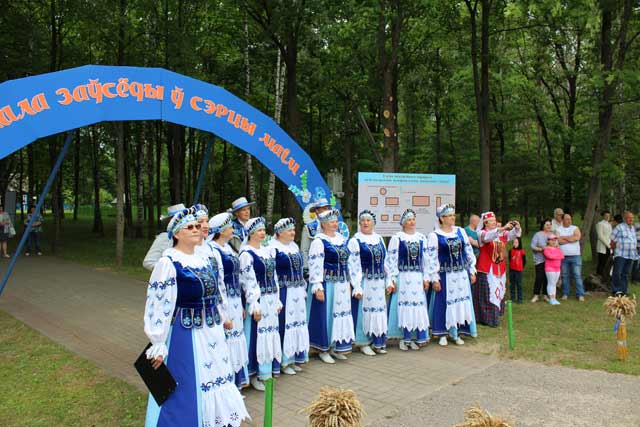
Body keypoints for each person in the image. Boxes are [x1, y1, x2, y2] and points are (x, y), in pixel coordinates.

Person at [143, 207, 249, 427]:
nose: (196, 229)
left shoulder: (204, 259)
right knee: (189, 381)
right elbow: (158, 303)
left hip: (212, 330)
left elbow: (216, 292)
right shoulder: (169, 262)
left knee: (218, 374)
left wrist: (223, 315)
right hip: (187, 333)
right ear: (176, 234)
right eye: (189, 227)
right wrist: (158, 342)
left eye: (197, 226)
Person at [209, 212, 255, 391]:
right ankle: (228, 383)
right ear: (221, 231)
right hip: (225, 300)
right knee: (227, 340)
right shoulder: (214, 251)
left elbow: (238, 276)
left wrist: (241, 304)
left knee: (236, 337)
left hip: (235, 299)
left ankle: (237, 381)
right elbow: (217, 282)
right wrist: (223, 313)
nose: (232, 229)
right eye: (229, 227)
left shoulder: (228, 248)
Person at [307, 208, 359, 364]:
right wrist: (318, 286)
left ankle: (336, 345)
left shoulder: (342, 239)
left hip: (342, 282)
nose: (335, 224)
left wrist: (351, 282)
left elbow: (348, 262)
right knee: (327, 314)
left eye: (336, 221)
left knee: (340, 313)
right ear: (323, 224)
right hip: (328, 283)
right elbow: (315, 264)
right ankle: (323, 349)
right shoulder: (319, 241)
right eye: (331, 222)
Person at [238, 217, 282, 391]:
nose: (263, 233)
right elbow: (247, 280)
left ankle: (267, 371)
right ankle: (254, 374)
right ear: (251, 233)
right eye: (259, 231)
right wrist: (254, 303)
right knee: (256, 335)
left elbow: (274, 276)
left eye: (264, 230)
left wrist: (277, 298)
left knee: (270, 333)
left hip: (270, 298)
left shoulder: (267, 251)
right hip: (258, 300)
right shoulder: (246, 254)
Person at [426, 204, 477, 346]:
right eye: (449, 216)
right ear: (442, 218)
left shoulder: (460, 231)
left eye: (453, 215)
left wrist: (472, 270)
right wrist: (434, 278)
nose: (452, 218)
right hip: (445, 275)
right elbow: (431, 258)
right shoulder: (434, 235)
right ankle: (442, 333)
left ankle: (458, 332)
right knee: (443, 303)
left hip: (461, 274)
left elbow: (468, 251)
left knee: (461, 302)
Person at [348, 210, 391, 356]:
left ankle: (377, 341)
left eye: (368, 220)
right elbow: (353, 265)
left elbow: (386, 261)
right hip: (365, 281)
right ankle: (363, 342)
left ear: (373, 223)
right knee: (364, 312)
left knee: (379, 311)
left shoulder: (379, 238)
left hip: (378, 282)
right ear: (359, 223)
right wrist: (356, 285)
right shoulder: (355, 241)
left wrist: (389, 279)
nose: (366, 223)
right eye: (363, 221)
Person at [386, 208, 430, 350]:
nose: (411, 222)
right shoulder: (397, 238)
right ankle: (405, 338)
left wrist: (426, 277)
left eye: (413, 219)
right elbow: (391, 260)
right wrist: (392, 278)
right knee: (405, 306)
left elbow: (426, 260)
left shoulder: (421, 238)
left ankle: (417, 336)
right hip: (404, 277)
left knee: (418, 306)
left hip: (417, 277)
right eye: (409, 220)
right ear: (403, 223)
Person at [270, 217, 309, 374]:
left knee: (297, 322)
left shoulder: (294, 246)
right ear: (280, 233)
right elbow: (271, 273)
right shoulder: (273, 248)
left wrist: (303, 287)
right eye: (289, 230)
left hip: (297, 290)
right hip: (284, 290)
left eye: (293, 230)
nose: (293, 233)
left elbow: (299, 270)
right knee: (284, 323)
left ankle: (294, 357)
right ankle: (283, 361)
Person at [473, 212, 521, 327]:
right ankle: (486, 318)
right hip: (487, 269)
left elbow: (513, 235)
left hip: (500, 268)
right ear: (485, 223)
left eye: (495, 220)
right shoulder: (481, 233)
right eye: (491, 221)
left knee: (499, 290)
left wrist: (517, 228)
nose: (494, 222)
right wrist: (503, 228)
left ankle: (495, 315)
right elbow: (488, 237)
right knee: (488, 293)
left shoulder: (501, 233)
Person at [142, 203, 186, 271]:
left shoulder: (194, 237)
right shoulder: (165, 238)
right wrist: (171, 271)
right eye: (180, 218)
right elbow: (148, 262)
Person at [557, 213, 585, 301]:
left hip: (575, 256)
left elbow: (577, 238)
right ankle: (565, 293)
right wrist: (570, 238)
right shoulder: (558, 229)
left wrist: (564, 237)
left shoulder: (575, 228)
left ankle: (580, 294)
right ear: (562, 220)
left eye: (570, 219)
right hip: (563, 257)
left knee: (577, 275)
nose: (569, 220)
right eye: (567, 219)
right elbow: (558, 241)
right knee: (565, 276)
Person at [610, 211, 638, 296]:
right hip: (621, 254)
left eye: (632, 218)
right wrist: (615, 251)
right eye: (629, 218)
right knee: (617, 272)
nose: (631, 219)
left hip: (630, 254)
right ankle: (616, 290)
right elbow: (612, 240)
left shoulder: (632, 228)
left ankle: (624, 290)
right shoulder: (619, 227)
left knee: (625, 273)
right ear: (625, 219)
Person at [301, 198, 332, 273]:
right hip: (315, 267)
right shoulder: (309, 227)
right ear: (317, 211)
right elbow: (305, 250)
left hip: (331, 267)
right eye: (324, 208)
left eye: (328, 208)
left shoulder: (334, 226)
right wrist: (306, 268)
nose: (327, 211)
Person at [530, 219, 552, 303]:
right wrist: (541, 249)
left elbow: (556, 245)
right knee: (539, 277)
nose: (549, 226)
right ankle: (536, 295)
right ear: (543, 226)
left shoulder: (552, 235)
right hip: (539, 260)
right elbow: (532, 246)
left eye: (550, 225)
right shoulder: (538, 234)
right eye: (547, 225)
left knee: (547, 278)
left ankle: (545, 295)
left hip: (549, 260)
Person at [543, 235, 564, 305]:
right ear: (548, 241)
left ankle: (554, 298)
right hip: (550, 268)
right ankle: (551, 299)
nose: (553, 242)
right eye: (552, 240)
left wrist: (556, 256)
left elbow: (562, 256)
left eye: (554, 240)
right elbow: (550, 256)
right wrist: (557, 256)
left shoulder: (557, 249)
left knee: (554, 284)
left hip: (557, 268)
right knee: (551, 283)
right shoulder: (546, 249)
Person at [508, 237, 526, 304]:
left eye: (516, 242)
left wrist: (521, 267)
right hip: (512, 270)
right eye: (514, 242)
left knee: (519, 285)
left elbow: (524, 261)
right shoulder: (510, 251)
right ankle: (512, 298)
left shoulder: (522, 251)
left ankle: (520, 299)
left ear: (519, 243)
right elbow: (510, 259)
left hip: (519, 271)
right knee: (512, 284)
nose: (514, 244)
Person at [595, 210, 612, 277]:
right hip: (602, 246)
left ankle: (605, 276)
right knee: (601, 262)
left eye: (608, 216)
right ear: (603, 216)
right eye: (606, 216)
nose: (607, 217)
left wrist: (610, 244)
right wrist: (607, 245)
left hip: (609, 246)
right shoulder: (600, 224)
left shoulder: (609, 224)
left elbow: (610, 235)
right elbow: (600, 236)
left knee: (607, 262)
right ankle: (599, 276)